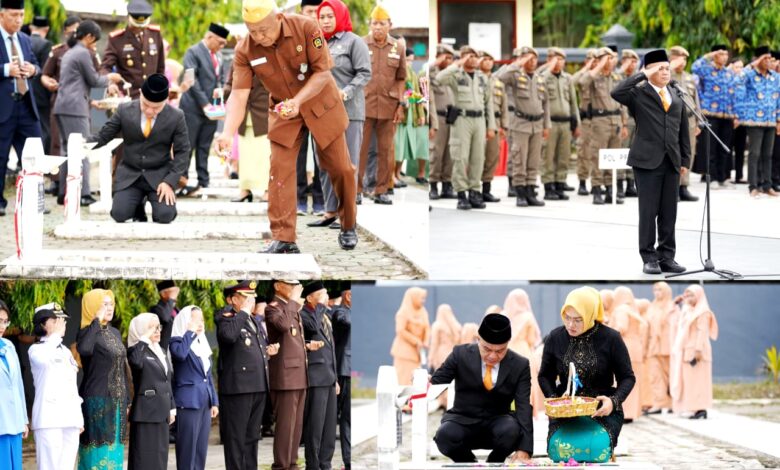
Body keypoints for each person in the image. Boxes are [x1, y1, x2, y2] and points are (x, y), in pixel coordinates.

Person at [215, 0, 358, 253]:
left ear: (279, 18)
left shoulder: (307, 28)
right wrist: (226, 134)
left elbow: (323, 73)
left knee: (341, 168)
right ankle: (284, 237)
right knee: (279, 171)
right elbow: (239, 95)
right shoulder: (244, 50)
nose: (259, 36)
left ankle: (348, 224)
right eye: (252, 30)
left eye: (264, 30)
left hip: (320, 105)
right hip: (284, 110)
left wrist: (298, 101)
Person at [611, 49, 690, 275]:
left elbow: (682, 128)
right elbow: (616, 92)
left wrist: (685, 158)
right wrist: (643, 74)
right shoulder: (639, 93)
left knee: (669, 212)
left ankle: (667, 256)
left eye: (667, 68)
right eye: (660, 68)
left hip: (672, 160)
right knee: (648, 211)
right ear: (650, 70)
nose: (666, 72)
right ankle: (649, 257)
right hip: (646, 161)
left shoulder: (675, 93)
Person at [539, 286, 635, 463]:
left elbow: (628, 377)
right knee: (559, 451)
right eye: (567, 317)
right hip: (565, 411)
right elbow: (544, 375)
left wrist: (613, 402)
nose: (570, 325)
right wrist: (554, 399)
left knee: (595, 449)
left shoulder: (611, 338)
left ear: (590, 315)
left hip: (601, 410)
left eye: (578, 320)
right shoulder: (555, 337)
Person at [431, 313, 533, 464]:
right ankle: (469, 463)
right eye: (486, 349)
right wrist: (424, 380)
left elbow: (523, 406)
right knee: (444, 436)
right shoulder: (460, 354)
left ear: (507, 344)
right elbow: (437, 382)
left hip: (498, 423)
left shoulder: (520, 365)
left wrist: (525, 449)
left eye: (500, 351)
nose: (492, 356)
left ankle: (494, 463)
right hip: (462, 421)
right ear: (478, 339)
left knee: (512, 430)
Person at [89, 73, 190, 223]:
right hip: (130, 174)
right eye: (145, 105)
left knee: (164, 216)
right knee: (119, 214)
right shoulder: (124, 109)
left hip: (159, 176)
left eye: (156, 108)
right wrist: (81, 144)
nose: (149, 111)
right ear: (141, 94)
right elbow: (104, 136)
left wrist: (170, 181)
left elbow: (183, 151)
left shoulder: (177, 116)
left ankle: (158, 206)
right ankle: (137, 206)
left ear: (166, 100)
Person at [309, 0, 371, 228]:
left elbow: (365, 73)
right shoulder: (315, 42)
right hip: (320, 113)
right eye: (322, 16)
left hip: (349, 111)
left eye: (329, 16)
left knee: (347, 165)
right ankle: (330, 211)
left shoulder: (354, 42)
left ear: (340, 17)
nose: (325, 21)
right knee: (324, 162)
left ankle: (348, 215)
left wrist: (346, 92)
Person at [53, 20, 123, 207]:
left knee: (67, 149)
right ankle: (83, 193)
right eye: (95, 41)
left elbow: (75, 83)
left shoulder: (70, 52)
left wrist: (92, 101)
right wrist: (110, 78)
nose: (95, 46)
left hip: (63, 105)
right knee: (82, 148)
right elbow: (93, 80)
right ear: (89, 37)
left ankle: (64, 192)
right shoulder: (83, 52)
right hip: (75, 108)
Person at [215, 281, 272, 470]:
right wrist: (244, 312)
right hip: (238, 388)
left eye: (252, 297)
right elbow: (229, 336)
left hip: (258, 385)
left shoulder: (252, 319)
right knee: (236, 438)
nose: (251, 301)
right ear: (231, 299)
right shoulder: (226, 318)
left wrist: (267, 351)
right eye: (246, 298)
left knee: (252, 437)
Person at [357, 5, 406, 205]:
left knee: (385, 150)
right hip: (364, 104)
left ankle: (381, 190)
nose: (378, 27)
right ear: (370, 25)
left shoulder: (398, 47)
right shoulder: (359, 44)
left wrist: (401, 104)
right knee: (360, 148)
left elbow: (401, 77)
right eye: (375, 23)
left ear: (390, 25)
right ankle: (357, 190)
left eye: (382, 24)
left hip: (389, 105)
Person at [438, 46, 496, 210]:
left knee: (478, 158)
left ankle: (474, 192)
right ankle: (462, 193)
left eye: (475, 56)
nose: (473, 59)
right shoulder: (456, 75)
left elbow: (489, 103)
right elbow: (440, 78)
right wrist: (458, 64)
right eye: (469, 56)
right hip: (462, 120)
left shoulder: (482, 78)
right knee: (460, 157)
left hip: (479, 120)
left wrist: (491, 125)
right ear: (462, 58)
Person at [76, 289, 129, 470]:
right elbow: (84, 349)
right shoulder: (87, 332)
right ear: (92, 307)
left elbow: (121, 367)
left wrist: (126, 400)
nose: (109, 308)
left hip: (117, 402)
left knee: (114, 450)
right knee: (97, 451)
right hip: (97, 401)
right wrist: (96, 322)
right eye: (104, 304)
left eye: (111, 304)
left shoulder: (114, 332)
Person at [28, 303, 84, 470]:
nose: (62, 324)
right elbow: (45, 361)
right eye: (57, 320)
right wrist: (55, 336)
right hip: (49, 419)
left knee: (66, 466)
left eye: (63, 321)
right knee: (49, 466)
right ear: (43, 324)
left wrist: (78, 417)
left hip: (69, 419)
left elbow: (71, 387)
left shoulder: (65, 351)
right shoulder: (36, 350)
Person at [0, 0, 42, 217]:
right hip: (3, 108)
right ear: (1, 15)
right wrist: (6, 69)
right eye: (14, 15)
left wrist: (32, 69)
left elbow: (37, 64)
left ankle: (34, 200)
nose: (18, 20)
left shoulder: (25, 39)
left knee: (36, 153)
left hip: (26, 106)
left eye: (21, 15)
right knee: (0, 157)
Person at [179, 23, 230, 195]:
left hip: (212, 110)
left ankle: (204, 181)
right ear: (209, 37)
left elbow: (221, 79)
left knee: (204, 146)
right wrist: (204, 104)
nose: (223, 46)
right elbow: (191, 80)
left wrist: (221, 91)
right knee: (188, 145)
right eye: (220, 42)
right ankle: (182, 180)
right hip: (192, 108)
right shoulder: (192, 52)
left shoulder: (219, 56)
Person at [265, 279, 309, 470]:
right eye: (289, 284)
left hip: (299, 374)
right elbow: (283, 326)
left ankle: (292, 463)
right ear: (277, 286)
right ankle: (281, 465)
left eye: (294, 285)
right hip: (285, 377)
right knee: (285, 426)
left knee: (296, 426)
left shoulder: (290, 308)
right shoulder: (273, 308)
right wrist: (292, 301)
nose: (293, 288)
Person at [169, 306, 219, 470]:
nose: (199, 323)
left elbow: (208, 375)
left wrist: (214, 402)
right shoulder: (177, 342)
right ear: (185, 321)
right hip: (188, 401)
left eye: (201, 319)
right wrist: (189, 333)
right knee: (187, 449)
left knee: (200, 450)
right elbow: (180, 355)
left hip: (204, 400)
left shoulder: (202, 343)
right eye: (195, 319)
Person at [499, 46, 549, 207]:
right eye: (528, 58)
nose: (532, 62)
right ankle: (520, 192)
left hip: (537, 124)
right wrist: (518, 63)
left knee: (534, 160)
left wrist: (546, 125)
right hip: (520, 124)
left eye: (534, 59)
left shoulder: (539, 78)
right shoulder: (515, 76)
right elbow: (500, 77)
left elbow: (546, 104)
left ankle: (530, 191)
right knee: (519, 159)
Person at [127, 313, 176, 469]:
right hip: (145, 413)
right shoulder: (136, 349)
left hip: (162, 411)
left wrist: (172, 406)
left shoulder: (160, 350)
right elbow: (135, 362)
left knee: (160, 458)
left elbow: (167, 380)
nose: (157, 330)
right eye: (152, 327)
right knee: (143, 458)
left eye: (158, 327)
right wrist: (145, 338)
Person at [579, 47, 628, 204]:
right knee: (598, 156)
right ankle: (597, 189)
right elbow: (581, 82)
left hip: (616, 120)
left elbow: (623, 102)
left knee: (613, 157)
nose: (610, 61)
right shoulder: (594, 77)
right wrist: (599, 65)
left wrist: (624, 123)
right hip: (600, 121)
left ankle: (610, 189)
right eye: (607, 58)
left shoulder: (616, 77)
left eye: (612, 58)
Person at [300, 281, 338, 470]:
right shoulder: (304, 314)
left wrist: (336, 378)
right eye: (320, 294)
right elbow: (313, 329)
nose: (325, 297)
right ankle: (313, 464)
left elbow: (331, 350)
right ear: (309, 298)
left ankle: (326, 463)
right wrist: (321, 306)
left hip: (329, 377)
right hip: (316, 378)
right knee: (315, 425)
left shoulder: (324, 316)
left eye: (325, 294)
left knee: (330, 426)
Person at [734, 45, 780, 198]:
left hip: (770, 121)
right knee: (754, 154)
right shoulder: (750, 75)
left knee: (768, 154)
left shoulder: (775, 76)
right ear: (758, 60)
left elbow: (779, 98)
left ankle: (767, 185)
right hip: (754, 121)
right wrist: (751, 66)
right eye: (764, 58)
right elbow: (737, 80)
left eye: (769, 58)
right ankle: (753, 186)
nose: (768, 61)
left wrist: (778, 119)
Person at [224, 58, 271, 203]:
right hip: (243, 114)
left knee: (264, 155)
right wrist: (223, 92)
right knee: (244, 155)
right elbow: (229, 83)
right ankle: (244, 190)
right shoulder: (239, 58)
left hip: (263, 112)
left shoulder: (269, 55)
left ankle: (268, 190)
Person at [691, 45, 738, 186]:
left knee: (724, 147)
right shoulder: (706, 70)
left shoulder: (729, 73)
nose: (724, 57)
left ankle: (723, 177)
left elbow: (733, 95)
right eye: (720, 54)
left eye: (725, 54)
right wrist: (709, 55)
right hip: (711, 114)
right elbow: (694, 67)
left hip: (727, 115)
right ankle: (712, 177)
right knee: (711, 148)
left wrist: (735, 115)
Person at [99, 0, 165, 99]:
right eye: (136, 26)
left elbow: (160, 67)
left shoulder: (155, 34)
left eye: (142, 26)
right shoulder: (117, 39)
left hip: (152, 96)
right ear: (129, 18)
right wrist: (110, 83)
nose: (139, 29)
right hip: (129, 96)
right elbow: (105, 67)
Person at [671, 285, 718, 419]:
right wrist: (677, 303)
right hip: (688, 351)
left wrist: (698, 351)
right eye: (687, 295)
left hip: (698, 353)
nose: (689, 298)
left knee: (699, 381)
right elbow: (679, 322)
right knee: (690, 381)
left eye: (692, 295)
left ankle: (700, 409)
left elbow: (702, 333)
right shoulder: (690, 310)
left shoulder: (703, 312)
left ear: (699, 296)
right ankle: (694, 408)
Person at [541, 47, 579, 201]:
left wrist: (576, 122)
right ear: (549, 60)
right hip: (550, 122)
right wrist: (549, 68)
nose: (559, 62)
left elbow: (573, 101)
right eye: (555, 59)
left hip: (565, 122)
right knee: (548, 156)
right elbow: (540, 84)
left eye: (562, 59)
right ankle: (548, 186)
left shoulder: (567, 78)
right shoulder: (543, 76)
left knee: (564, 155)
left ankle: (560, 183)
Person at [40, 15, 80, 159]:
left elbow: (98, 79)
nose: (75, 36)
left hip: (81, 105)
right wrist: (48, 83)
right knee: (57, 141)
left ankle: (78, 178)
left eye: (78, 32)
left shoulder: (89, 52)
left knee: (80, 143)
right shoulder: (58, 52)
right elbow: (44, 75)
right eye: (71, 33)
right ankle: (57, 179)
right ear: (65, 32)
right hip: (59, 101)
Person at [610, 287, 648, 422]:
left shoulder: (621, 310)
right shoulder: (633, 310)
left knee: (623, 380)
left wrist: (608, 332)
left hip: (625, 347)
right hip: (636, 348)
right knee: (633, 381)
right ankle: (632, 413)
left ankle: (625, 413)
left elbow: (621, 327)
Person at [393, 48, 428, 185]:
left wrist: (420, 114)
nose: (409, 63)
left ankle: (397, 174)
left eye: (411, 61)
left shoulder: (413, 74)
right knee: (397, 146)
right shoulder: (400, 71)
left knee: (405, 147)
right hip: (400, 112)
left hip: (410, 114)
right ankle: (393, 175)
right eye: (407, 60)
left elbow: (417, 95)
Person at [0, 300, 28, 470]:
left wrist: (23, 419)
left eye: (4, 321)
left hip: (14, 424)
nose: (2, 326)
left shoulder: (9, 346)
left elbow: (18, 385)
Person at [645, 281, 679, 414]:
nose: (657, 293)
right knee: (655, 376)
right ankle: (658, 403)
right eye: (655, 290)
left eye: (659, 290)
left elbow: (676, 327)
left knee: (671, 376)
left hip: (668, 346)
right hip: (654, 346)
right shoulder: (651, 307)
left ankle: (672, 404)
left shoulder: (673, 307)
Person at [428, 44, 456, 200]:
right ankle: (433, 185)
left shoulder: (451, 75)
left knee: (449, 153)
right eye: (447, 58)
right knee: (436, 153)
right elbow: (425, 75)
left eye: (451, 58)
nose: (450, 61)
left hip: (451, 118)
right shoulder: (432, 73)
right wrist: (436, 63)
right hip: (437, 118)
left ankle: (447, 185)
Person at [478, 50, 506, 202]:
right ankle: (474, 189)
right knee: (476, 156)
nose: (488, 62)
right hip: (478, 120)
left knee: (492, 156)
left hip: (495, 123)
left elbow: (504, 105)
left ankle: (486, 189)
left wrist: (504, 126)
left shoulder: (497, 82)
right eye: (485, 59)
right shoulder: (475, 78)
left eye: (491, 59)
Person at [389, 287, 430, 385]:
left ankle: (413, 399)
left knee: (415, 379)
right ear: (414, 298)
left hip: (417, 352)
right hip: (404, 352)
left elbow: (428, 327)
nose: (423, 301)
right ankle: (403, 399)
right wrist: (415, 341)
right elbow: (400, 330)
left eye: (424, 298)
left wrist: (426, 341)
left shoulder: (423, 311)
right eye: (421, 298)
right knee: (404, 379)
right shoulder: (403, 312)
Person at [330, 286, 351, 470]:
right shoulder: (340, 312)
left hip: (354, 370)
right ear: (349, 296)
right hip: (345, 370)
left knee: (349, 417)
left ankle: (349, 460)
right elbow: (343, 321)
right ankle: (348, 460)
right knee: (345, 417)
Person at [572, 49, 597, 196]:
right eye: (591, 60)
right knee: (584, 151)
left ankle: (596, 183)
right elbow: (572, 82)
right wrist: (587, 68)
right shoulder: (583, 76)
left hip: (600, 120)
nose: (594, 63)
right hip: (586, 120)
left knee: (598, 153)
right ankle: (582, 182)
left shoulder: (602, 75)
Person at [28, 16, 51, 153]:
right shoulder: (46, 44)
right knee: (42, 128)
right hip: (41, 94)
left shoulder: (22, 41)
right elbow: (46, 70)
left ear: (31, 27)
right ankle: (39, 161)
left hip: (23, 92)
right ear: (47, 29)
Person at [150, 280, 179, 351]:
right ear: (163, 294)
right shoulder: (156, 309)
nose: (176, 294)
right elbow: (165, 318)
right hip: (164, 349)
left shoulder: (176, 309)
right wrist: (171, 299)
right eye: (173, 292)